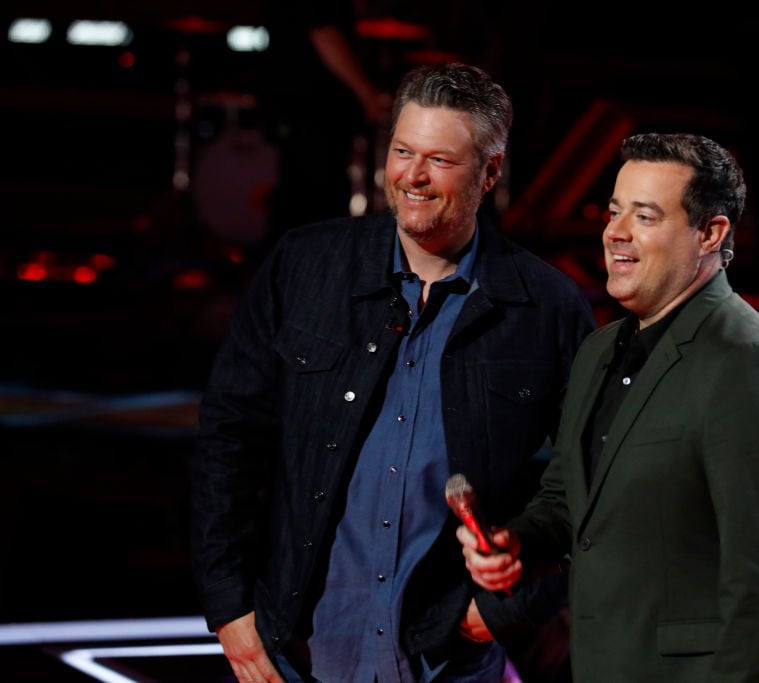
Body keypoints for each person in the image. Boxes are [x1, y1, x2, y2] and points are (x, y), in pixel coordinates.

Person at [190, 62, 596, 683]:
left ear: (490, 172)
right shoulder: (303, 267)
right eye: (403, 151)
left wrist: (506, 610)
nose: (413, 176)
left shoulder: (547, 307)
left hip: (448, 661)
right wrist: (228, 608)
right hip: (293, 655)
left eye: (440, 160)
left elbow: (593, 483)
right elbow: (229, 437)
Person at [457, 132, 759, 682]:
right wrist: (519, 544)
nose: (615, 232)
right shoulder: (598, 351)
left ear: (710, 233)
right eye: (614, 212)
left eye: (645, 217)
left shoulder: (750, 364)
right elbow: (568, 500)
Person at [258, 0, 390, 251]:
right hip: (312, 109)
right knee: (314, 206)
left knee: (299, 201)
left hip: (301, 108)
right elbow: (324, 32)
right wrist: (367, 95)